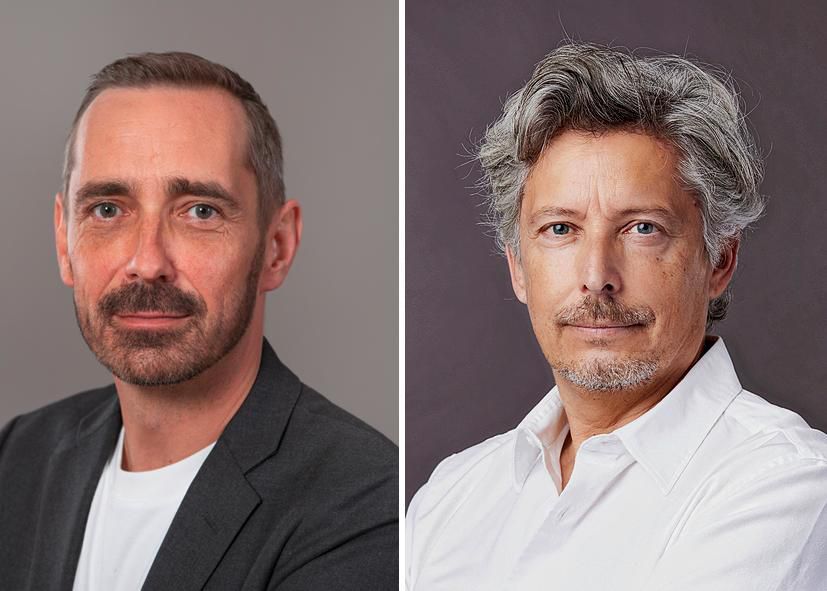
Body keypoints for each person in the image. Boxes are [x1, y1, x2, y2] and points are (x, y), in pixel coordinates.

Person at [406, 43, 827, 590]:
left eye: (642, 228)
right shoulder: (449, 497)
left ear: (719, 258)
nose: (597, 274)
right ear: (517, 267)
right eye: (560, 228)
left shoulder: (788, 486)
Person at [0, 52, 397, 590]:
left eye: (199, 211)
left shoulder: (367, 504)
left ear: (277, 247)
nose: (147, 261)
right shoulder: (18, 457)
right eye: (108, 210)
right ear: (63, 241)